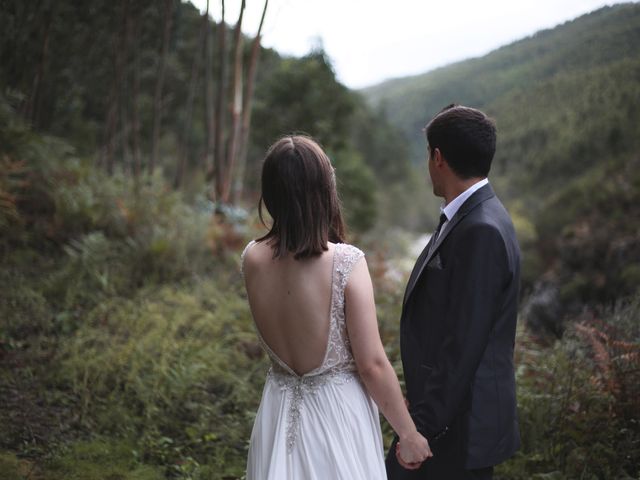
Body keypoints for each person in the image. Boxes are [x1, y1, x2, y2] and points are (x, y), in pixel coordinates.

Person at [242, 135, 432, 479]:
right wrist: (408, 434)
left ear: (270, 191)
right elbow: (372, 364)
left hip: (276, 411)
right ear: (322, 191)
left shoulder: (251, 258)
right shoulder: (346, 262)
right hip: (336, 419)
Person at [385, 105, 521, 479]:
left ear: (438, 157)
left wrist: (419, 429)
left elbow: (464, 342)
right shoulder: (472, 215)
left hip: (459, 427)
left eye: (428, 156)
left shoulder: (481, 230)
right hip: (448, 414)